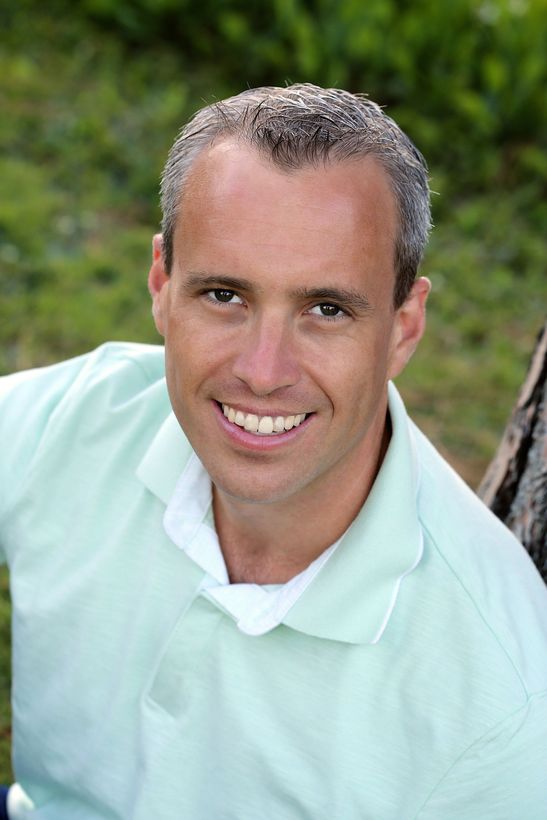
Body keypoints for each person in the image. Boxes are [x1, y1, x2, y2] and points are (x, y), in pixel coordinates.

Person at [0, 83, 545, 820]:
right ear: (162, 285)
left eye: (326, 310)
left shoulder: (501, 708)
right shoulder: (77, 420)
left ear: (403, 327)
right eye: (224, 295)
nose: (261, 371)